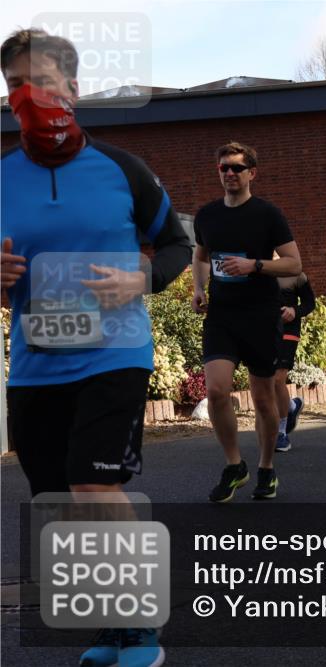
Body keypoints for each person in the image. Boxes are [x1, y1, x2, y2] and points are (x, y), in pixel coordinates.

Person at [1, 27, 191, 666]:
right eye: (17, 85)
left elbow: (176, 246)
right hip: (35, 362)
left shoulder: (122, 169)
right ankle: (108, 629)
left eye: (45, 82)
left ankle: (140, 628)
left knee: (93, 488)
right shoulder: (1, 177)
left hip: (115, 352)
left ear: (74, 90)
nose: (32, 96)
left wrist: (142, 278)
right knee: (59, 504)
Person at [193, 142, 302, 502]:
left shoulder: (268, 215)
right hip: (222, 316)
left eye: (237, 168)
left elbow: (293, 264)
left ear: (251, 173)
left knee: (263, 400)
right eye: (224, 167)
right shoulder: (207, 215)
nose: (229, 173)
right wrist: (198, 289)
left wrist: (255, 265)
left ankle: (267, 467)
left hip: (260, 315)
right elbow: (201, 254)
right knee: (216, 390)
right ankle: (234, 464)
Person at [273, 269, 314, 452]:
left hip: (288, 329)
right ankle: (291, 405)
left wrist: (294, 310)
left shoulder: (295, 273)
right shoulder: (253, 268)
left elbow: (309, 303)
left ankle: (281, 432)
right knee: (267, 381)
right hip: (264, 329)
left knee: (277, 378)